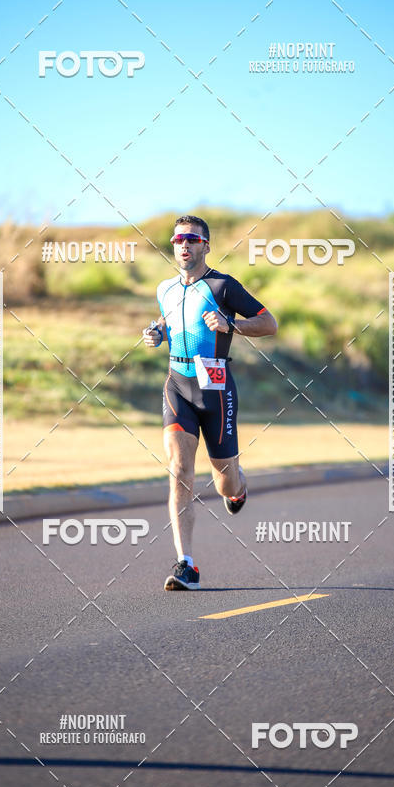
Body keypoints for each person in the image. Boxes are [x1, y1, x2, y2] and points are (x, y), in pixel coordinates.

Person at [142, 215, 278, 590]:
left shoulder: (223, 286)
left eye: (192, 239)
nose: (183, 245)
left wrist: (230, 325)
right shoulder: (164, 288)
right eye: (177, 239)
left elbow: (269, 323)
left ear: (206, 245)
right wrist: (158, 332)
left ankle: (238, 488)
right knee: (179, 469)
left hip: (216, 388)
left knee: (224, 481)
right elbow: (173, 321)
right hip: (177, 385)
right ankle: (186, 564)